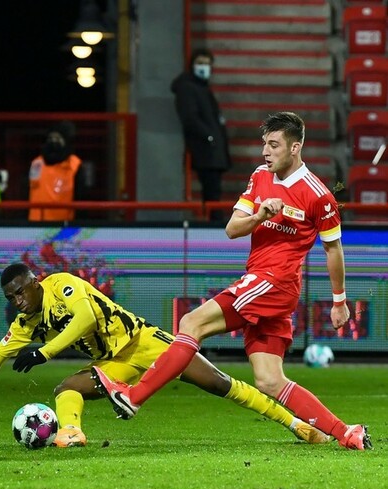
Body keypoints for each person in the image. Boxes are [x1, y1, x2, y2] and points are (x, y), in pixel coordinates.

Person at [92, 112, 372, 451]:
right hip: (263, 282)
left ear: (295, 147)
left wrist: (340, 301)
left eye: (274, 145)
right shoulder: (260, 177)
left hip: (275, 283)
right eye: (264, 144)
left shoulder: (319, 196)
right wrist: (260, 216)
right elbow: (231, 229)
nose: (265, 152)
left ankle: (133, 397)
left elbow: (333, 249)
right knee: (269, 380)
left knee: (191, 323)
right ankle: (347, 432)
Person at [0, 263, 329, 448]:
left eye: (20, 292)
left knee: (221, 384)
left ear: (35, 282)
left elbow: (84, 318)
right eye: (11, 298)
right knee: (67, 389)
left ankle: (295, 423)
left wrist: (44, 352)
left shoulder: (61, 285)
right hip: (113, 364)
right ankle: (70, 433)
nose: (17, 301)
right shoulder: (26, 323)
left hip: (145, 342)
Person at [171, 48, 231, 222]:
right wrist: (209, 137)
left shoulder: (203, 88)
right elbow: (190, 118)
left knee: (214, 193)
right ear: (192, 65)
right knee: (211, 194)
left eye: (207, 64)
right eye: (200, 63)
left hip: (213, 151)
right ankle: (215, 226)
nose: (203, 67)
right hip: (205, 151)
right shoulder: (188, 88)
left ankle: (215, 223)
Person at [28, 121, 90, 222]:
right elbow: (28, 192)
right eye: (50, 138)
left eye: (57, 139)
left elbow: (81, 198)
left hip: (63, 225)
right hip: (36, 224)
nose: (53, 142)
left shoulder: (74, 165)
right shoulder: (36, 163)